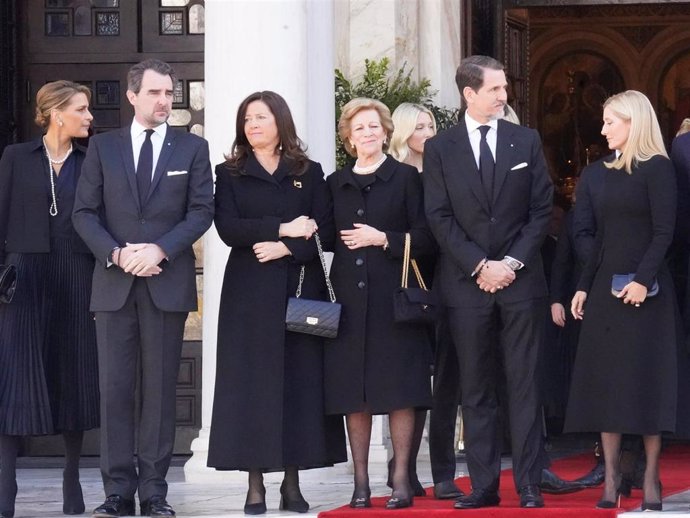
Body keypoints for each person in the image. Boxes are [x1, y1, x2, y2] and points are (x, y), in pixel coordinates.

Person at [73, 59, 214, 518]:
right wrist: (117, 254)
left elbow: (200, 212)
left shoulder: (192, 148)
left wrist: (158, 250)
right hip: (113, 285)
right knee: (114, 390)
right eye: (154, 93)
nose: (163, 101)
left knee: (158, 393)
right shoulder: (104, 148)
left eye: (169, 93)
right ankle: (117, 493)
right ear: (132, 96)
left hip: (165, 283)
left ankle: (154, 492)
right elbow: (84, 213)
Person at [207, 91, 346, 515]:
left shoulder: (309, 171)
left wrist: (288, 250)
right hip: (247, 296)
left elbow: (326, 228)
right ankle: (254, 486)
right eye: (247, 118)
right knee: (251, 385)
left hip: (301, 288)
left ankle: (292, 483)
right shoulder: (229, 172)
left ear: (280, 122)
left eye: (261, 117)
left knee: (299, 383)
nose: (252, 125)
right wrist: (282, 228)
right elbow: (228, 228)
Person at [423, 55, 553, 509]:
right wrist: (480, 265)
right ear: (469, 94)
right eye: (495, 89)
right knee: (475, 389)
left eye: (503, 89)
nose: (504, 96)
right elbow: (438, 216)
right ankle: (483, 487)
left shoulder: (526, 140)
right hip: (466, 285)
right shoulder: (441, 148)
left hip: (520, 283)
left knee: (523, 385)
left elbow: (542, 210)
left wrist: (511, 263)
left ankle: (530, 484)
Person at [567, 90, 680, 511]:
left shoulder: (658, 170)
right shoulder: (599, 173)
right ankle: (612, 476)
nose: (603, 129)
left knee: (646, 383)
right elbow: (597, 239)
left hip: (648, 295)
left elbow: (664, 233)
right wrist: (582, 285)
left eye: (610, 121)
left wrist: (642, 280)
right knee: (608, 386)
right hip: (605, 293)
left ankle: (650, 475)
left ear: (632, 122)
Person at [324, 97, 434, 510]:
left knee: (401, 390)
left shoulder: (406, 178)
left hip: (396, 300)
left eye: (374, 126)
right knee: (357, 394)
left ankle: (402, 478)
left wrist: (384, 239)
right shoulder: (334, 183)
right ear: (349, 139)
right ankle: (360, 484)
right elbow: (321, 236)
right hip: (350, 303)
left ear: (386, 132)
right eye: (359, 129)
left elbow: (426, 238)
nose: (368, 134)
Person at [0, 80, 98, 518]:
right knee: (16, 381)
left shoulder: (92, 159)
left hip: (77, 274)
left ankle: (72, 475)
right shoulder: (16, 157)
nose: (89, 116)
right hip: (26, 278)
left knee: (73, 374)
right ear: (57, 113)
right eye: (81, 108)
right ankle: (6, 486)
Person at [389, 102, 463, 500]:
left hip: (445, 281)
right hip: (409, 286)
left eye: (432, 125)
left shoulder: (445, 168)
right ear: (402, 133)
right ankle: (402, 468)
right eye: (419, 127)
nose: (428, 133)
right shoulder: (396, 176)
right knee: (412, 383)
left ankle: (441, 470)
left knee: (446, 380)